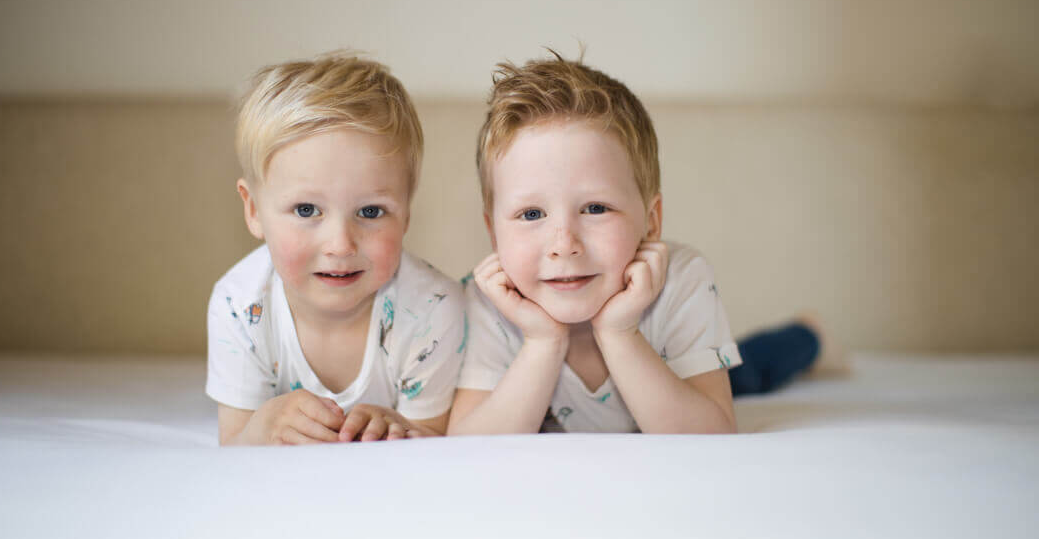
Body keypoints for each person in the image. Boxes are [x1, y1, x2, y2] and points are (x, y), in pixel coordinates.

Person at [448, 53, 842, 436]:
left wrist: (620, 333)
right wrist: (542, 341)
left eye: (596, 208)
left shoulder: (680, 279)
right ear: (492, 230)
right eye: (532, 214)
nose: (564, 245)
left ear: (651, 221)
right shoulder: (488, 301)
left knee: (752, 369)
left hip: (678, 376)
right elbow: (469, 442)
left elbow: (712, 432)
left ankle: (809, 334)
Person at [207, 55, 465, 446]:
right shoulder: (239, 306)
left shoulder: (432, 309)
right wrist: (262, 427)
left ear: (407, 212)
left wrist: (400, 428)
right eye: (307, 210)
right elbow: (233, 444)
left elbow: (435, 440)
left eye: (370, 211)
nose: (341, 245)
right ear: (254, 210)